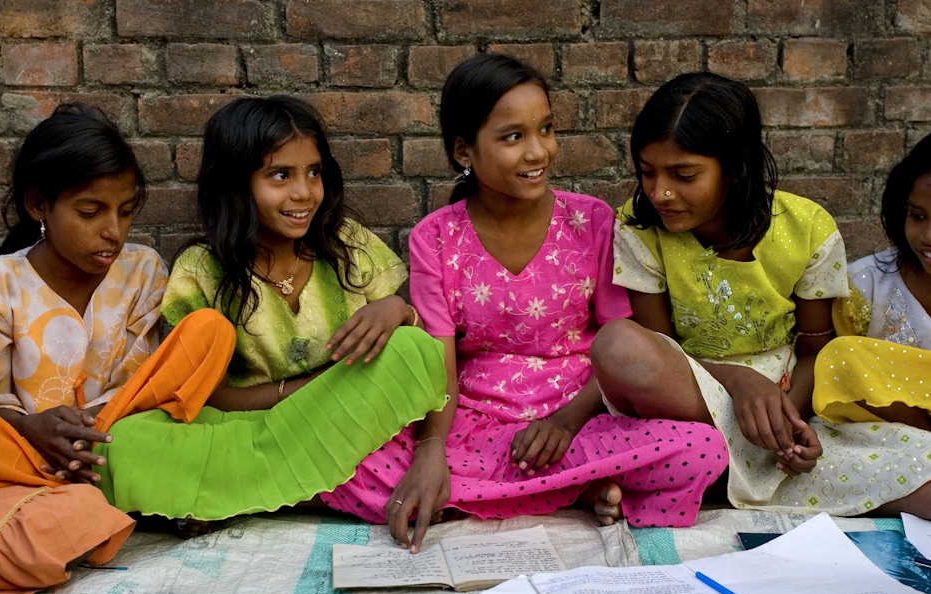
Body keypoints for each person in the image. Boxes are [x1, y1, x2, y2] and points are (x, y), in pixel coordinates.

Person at [320, 54, 728, 552]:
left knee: (701, 449)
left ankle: (513, 493)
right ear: (464, 150)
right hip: (471, 425)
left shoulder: (592, 222)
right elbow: (439, 360)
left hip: (582, 421)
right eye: (513, 137)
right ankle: (575, 491)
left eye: (546, 129)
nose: (539, 152)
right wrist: (430, 453)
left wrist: (565, 422)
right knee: (340, 460)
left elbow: (617, 343)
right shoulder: (437, 237)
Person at [92, 95, 448, 523]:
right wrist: (312, 391)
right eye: (280, 175)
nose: (303, 193)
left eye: (313, 173)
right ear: (236, 183)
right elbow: (213, 394)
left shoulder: (348, 245)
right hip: (253, 430)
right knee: (126, 441)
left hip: (342, 422)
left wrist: (396, 308)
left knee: (412, 348)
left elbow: (417, 339)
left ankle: (238, 495)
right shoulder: (201, 270)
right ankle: (309, 486)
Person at [592, 72, 854, 513]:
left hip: (786, 399)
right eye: (647, 172)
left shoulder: (808, 228)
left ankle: (721, 474)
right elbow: (661, 351)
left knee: (911, 465)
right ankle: (724, 469)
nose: (661, 192)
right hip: (690, 395)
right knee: (617, 343)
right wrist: (735, 380)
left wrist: (785, 424)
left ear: (735, 168)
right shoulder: (639, 228)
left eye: (684, 175)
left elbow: (815, 350)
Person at [0, 104, 145, 594]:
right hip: (27, 463)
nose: (113, 230)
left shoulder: (142, 271)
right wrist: (34, 430)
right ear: (39, 205)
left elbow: (148, 386)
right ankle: (80, 516)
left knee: (205, 336)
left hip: (122, 441)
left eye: (126, 211)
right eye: (91, 212)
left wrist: (101, 427)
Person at [812, 133, 931, 518]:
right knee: (842, 357)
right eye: (918, 216)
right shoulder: (862, 285)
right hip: (885, 435)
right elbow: (848, 391)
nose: (928, 237)